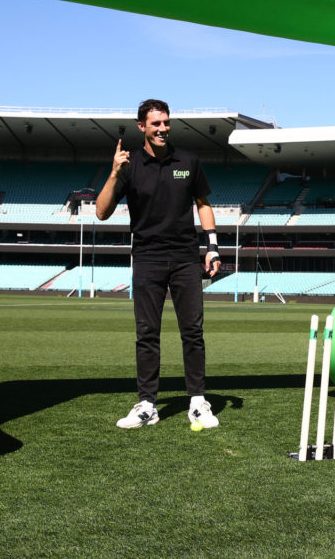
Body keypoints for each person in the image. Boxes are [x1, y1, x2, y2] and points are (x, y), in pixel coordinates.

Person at [95, 99, 222, 430]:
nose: (163, 128)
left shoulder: (188, 161)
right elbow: (101, 212)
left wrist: (212, 247)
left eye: (166, 122)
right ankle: (148, 405)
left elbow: (203, 205)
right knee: (147, 333)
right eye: (156, 124)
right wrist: (113, 174)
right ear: (142, 127)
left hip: (184, 258)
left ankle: (197, 402)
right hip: (147, 258)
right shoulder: (130, 165)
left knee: (192, 331)